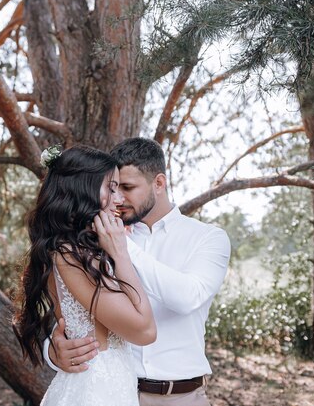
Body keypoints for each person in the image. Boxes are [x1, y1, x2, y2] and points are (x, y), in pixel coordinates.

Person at [44, 138, 231, 406]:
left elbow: (188, 297)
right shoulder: (91, 241)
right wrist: (53, 350)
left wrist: (124, 247)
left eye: (128, 188)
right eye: (114, 187)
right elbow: (77, 309)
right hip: (111, 390)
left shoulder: (207, 238)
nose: (119, 199)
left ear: (159, 183)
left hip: (179, 396)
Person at [13, 145, 157, 406]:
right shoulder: (72, 255)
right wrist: (121, 255)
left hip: (111, 383)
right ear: (83, 189)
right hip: (96, 389)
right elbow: (145, 331)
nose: (118, 199)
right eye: (111, 188)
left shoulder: (74, 249)